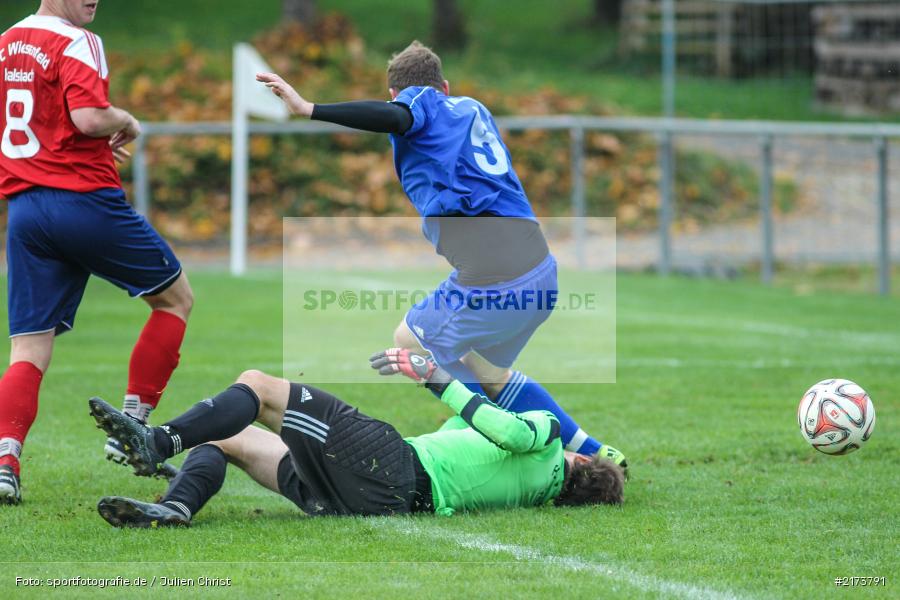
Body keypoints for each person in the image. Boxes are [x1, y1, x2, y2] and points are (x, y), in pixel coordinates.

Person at [256, 41, 625, 469]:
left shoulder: (419, 105)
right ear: (446, 84)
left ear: (396, 93)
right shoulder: (471, 107)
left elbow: (399, 116)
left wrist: (310, 108)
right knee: (488, 373)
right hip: (540, 268)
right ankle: (596, 451)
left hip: (495, 271)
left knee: (410, 339)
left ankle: (524, 446)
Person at [0, 0, 191, 505]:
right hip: (84, 203)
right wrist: (126, 118)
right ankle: (132, 424)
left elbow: (38, 125)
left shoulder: (6, 42)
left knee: (29, 348)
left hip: (24, 211)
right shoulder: (77, 41)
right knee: (174, 300)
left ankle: (5, 461)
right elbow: (87, 116)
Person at [89, 348, 624, 527]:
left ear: (579, 464)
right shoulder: (535, 489)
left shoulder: (549, 439)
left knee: (259, 386)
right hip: (377, 498)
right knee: (230, 436)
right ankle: (177, 507)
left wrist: (433, 373)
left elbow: (506, 424)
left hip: (389, 466)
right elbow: (478, 425)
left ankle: (156, 443)